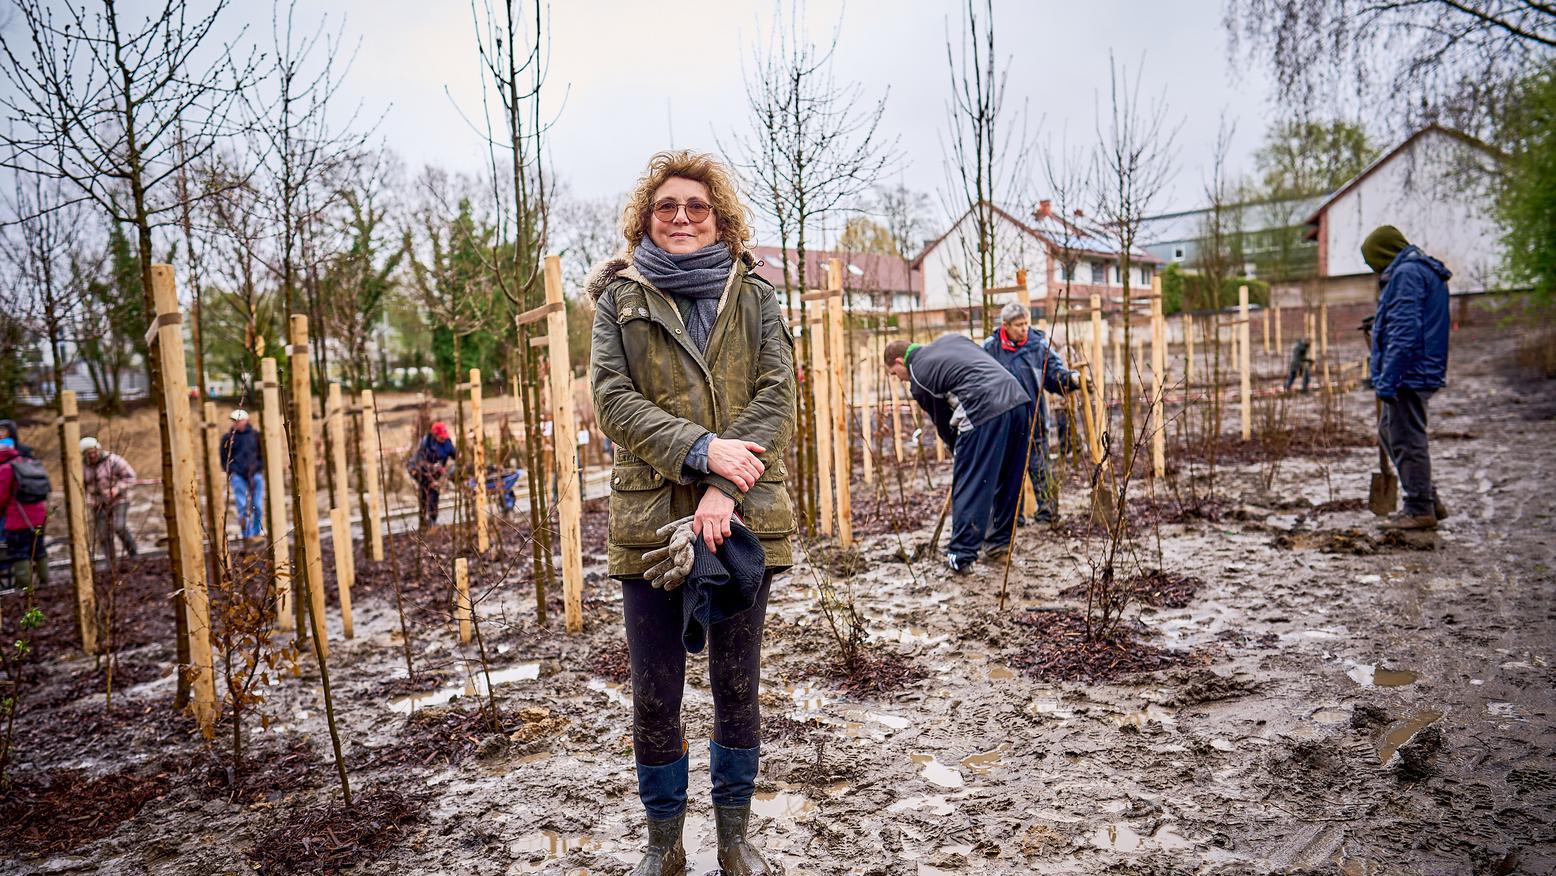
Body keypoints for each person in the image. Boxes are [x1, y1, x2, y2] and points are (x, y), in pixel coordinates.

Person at [588, 149, 795, 876]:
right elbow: (613, 401)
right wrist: (703, 452)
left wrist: (723, 488)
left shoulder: (757, 296)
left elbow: (777, 397)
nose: (681, 216)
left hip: (740, 522)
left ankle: (735, 838)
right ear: (646, 217)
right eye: (667, 206)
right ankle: (664, 845)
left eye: (696, 207)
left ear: (719, 220)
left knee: (738, 684)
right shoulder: (621, 300)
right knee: (656, 694)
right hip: (651, 526)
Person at [885, 333, 1032, 574]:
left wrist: (960, 452)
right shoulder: (952, 339)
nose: (898, 379)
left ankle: (961, 555)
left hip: (983, 408)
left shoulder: (918, 377)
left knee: (970, 483)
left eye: (894, 374)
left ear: (900, 362)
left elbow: (942, 421)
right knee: (1008, 477)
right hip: (1018, 401)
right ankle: (999, 545)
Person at [1363, 224, 1451, 530]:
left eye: (1372, 263)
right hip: (1416, 368)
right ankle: (1426, 496)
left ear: (1383, 254)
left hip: (1409, 372)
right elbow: (1408, 319)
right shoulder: (1418, 272)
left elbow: (1406, 331)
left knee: (1406, 437)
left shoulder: (1406, 274)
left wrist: (1388, 378)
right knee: (1390, 431)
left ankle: (1418, 508)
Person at [982, 302, 1081, 524]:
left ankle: (1047, 514)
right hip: (1003, 424)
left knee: (1041, 471)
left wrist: (1071, 379)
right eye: (1018, 325)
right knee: (1006, 475)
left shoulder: (1038, 347)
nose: (1024, 328)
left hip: (1034, 421)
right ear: (1005, 325)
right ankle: (1010, 518)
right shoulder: (990, 349)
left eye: (1026, 323)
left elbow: (1054, 374)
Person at [0, 436, 48, 588]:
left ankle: (24, 589)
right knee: (39, 549)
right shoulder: (28, 463)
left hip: (18, 518)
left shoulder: (5, 469)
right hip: (39, 515)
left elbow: (1, 497)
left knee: (19, 552)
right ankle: (45, 583)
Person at [81, 436, 138, 561]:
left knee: (119, 527)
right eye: (88, 454)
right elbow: (81, 487)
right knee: (103, 534)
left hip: (119, 500)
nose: (92, 455)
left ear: (98, 449)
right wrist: (89, 499)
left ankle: (133, 554)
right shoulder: (82, 467)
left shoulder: (113, 461)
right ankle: (111, 563)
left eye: (94, 452)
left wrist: (117, 488)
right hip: (98, 503)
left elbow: (131, 477)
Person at [220, 409, 265, 544]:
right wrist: (232, 470)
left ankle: (257, 533)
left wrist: (258, 468)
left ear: (246, 420)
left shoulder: (255, 435)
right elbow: (224, 458)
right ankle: (247, 536)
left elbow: (262, 454)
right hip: (238, 476)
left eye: (239, 420)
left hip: (255, 474)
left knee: (257, 505)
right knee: (242, 506)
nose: (237, 423)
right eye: (234, 421)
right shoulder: (228, 438)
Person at [408, 421, 456, 528]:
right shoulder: (426, 444)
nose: (443, 439)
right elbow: (420, 463)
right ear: (435, 435)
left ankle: (432, 519)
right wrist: (432, 478)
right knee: (427, 490)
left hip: (435, 472)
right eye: (440, 437)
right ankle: (425, 519)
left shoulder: (447, 443)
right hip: (420, 471)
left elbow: (455, 454)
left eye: (444, 437)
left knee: (434, 491)